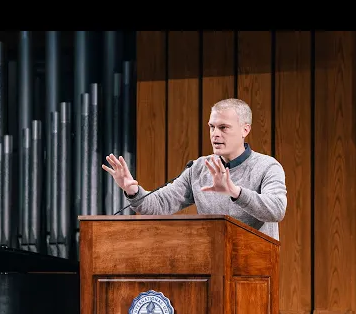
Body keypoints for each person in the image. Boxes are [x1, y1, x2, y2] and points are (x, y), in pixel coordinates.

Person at [102, 98, 287, 240]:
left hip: (255, 268)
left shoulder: (267, 167)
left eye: (223, 127)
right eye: (212, 127)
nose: (215, 134)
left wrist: (235, 192)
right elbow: (160, 205)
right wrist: (133, 190)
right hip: (212, 266)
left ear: (245, 130)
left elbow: (277, 210)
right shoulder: (199, 168)